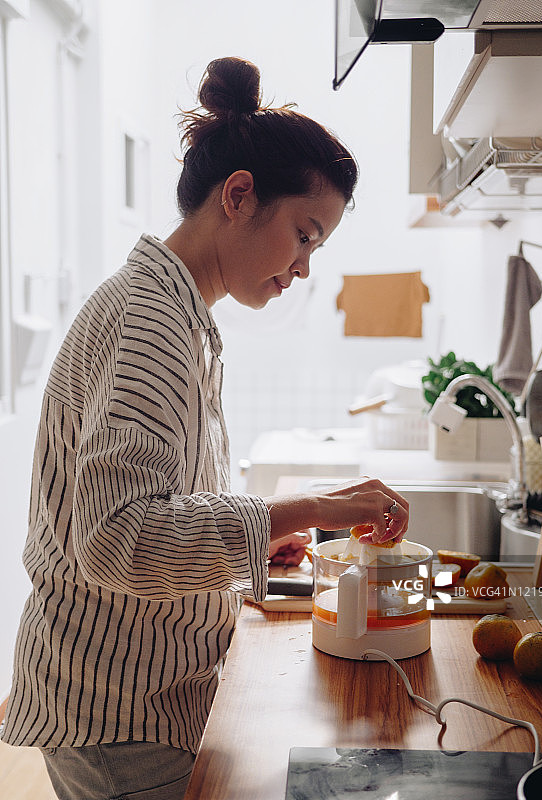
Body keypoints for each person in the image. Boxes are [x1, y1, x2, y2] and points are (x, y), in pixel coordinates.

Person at [0, 56, 409, 800]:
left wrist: (252, 540)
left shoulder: (175, 311)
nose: (304, 267)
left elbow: (155, 508)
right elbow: (118, 539)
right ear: (240, 196)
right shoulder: (151, 321)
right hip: (118, 718)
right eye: (305, 234)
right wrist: (309, 508)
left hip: (137, 701)